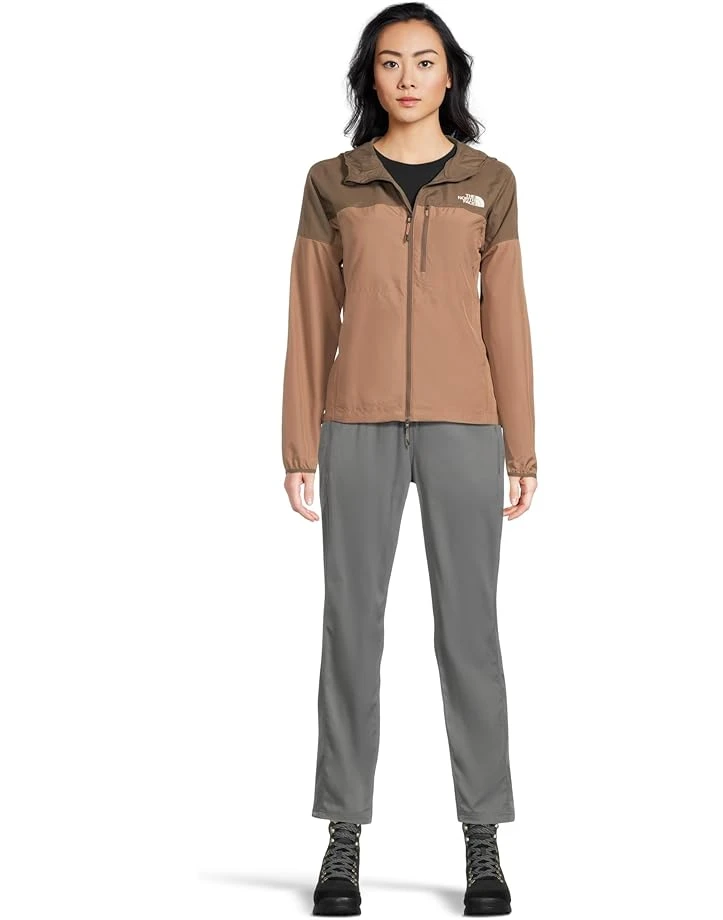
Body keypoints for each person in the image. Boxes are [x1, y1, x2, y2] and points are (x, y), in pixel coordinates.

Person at [281, 3, 537, 915]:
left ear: (449, 74)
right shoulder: (333, 182)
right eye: (390, 62)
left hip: (467, 423)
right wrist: (298, 440)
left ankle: (483, 838)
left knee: (470, 633)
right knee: (352, 628)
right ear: (371, 76)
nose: (408, 78)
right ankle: (343, 835)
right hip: (355, 422)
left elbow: (507, 315)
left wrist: (523, 445)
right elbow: (310, 313)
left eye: (425, 61)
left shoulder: (489, 182)